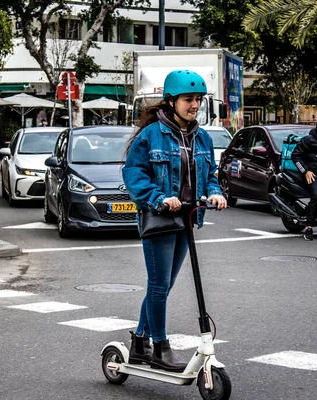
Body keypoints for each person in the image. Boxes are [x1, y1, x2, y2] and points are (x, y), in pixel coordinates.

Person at [122, 70, 227, 372]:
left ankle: (140, 341)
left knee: (164, 287)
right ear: (171, 101)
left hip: (187, 219)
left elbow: (209, 176)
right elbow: (134, 174)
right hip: (159, 218)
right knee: (158, 285)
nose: (194, 105)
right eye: (188, 100)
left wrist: (215, 193)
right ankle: (159, 347)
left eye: (198, 99)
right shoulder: (151, 134)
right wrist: (158, 197)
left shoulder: (202, 137)